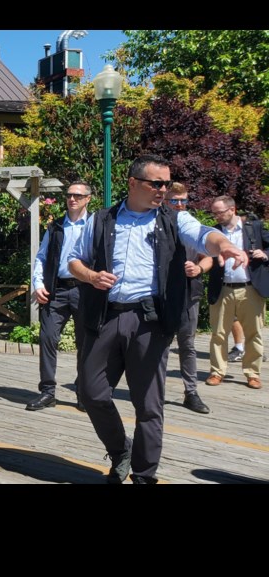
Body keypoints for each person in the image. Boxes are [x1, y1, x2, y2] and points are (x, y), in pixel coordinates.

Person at [67, 154, 246, 484]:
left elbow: (204, 235)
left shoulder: (174, 219)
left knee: (148, 405)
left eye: (167, 183)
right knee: (91, 394)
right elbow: (73, 262)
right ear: (133, 183)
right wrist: (91, 276)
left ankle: (144, 475)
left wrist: (225, 246)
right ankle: (121, 449)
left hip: (149, 321)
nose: (164, 189)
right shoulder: (101, 219)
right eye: (156, 183)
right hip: (107, 317)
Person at [26, 181, 91, 412]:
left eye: (77, 195)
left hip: (85, 290)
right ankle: (47, 392)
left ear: (87, 199)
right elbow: (41, 257)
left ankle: (84, 392)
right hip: (57, 289)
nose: (72, 199)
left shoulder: (95, 226)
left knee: (86, 343)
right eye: (69, 195)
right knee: (47, 338)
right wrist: (38, 283)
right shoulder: (55, 227)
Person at [205, 195, 269, 390]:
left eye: (220, 212)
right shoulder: (213, 232)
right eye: (214, 213)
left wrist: (265, 254)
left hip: (250, 288)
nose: (216, 216)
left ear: (232, 210)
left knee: (254, 333)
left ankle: (253, 373)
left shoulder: (254, 228)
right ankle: (217, 372)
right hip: (222, 288)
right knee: (218, 334)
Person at [164, 184, 212, 413]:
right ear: (165, 201)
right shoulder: (157, 224)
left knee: (187, 345)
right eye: (175, 201)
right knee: (159, 345)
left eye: (184, 200)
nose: (180, 205)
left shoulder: (194, 226)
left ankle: (191, 393)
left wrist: (199, 268)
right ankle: (152, 391)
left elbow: (208, 257)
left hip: (188, 295)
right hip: (161, 296)